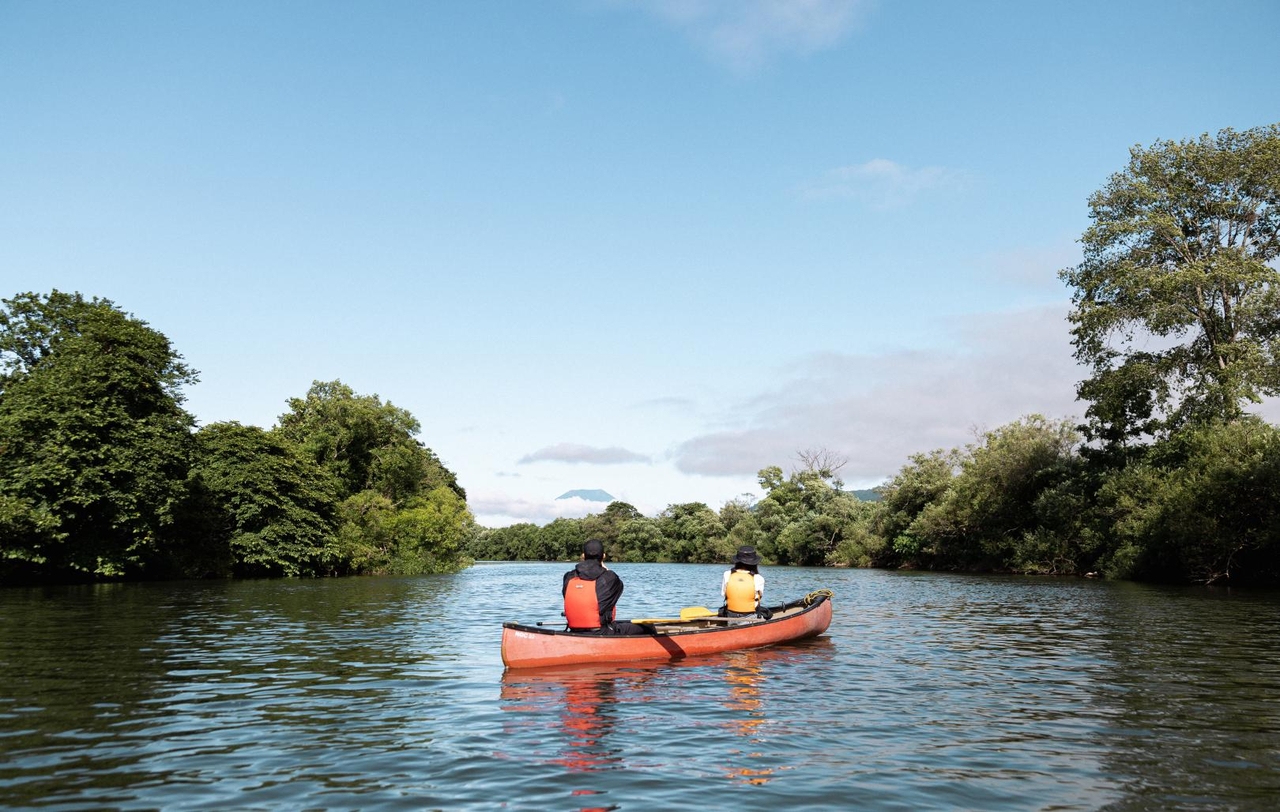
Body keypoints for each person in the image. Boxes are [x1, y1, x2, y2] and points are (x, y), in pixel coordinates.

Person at [562, 539, 649, 634]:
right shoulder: (609, 578)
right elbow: (617, 587)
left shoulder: (568, 577)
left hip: (574, 630)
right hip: (601, 632)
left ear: (583, 556)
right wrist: (602, 565)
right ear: (603, 556)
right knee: (648, 627)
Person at [721, 546, 769, 619]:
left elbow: (723, 594)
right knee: (768, 615)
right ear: (754, 563)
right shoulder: (759, 578)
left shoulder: (727, 574)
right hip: (750, 616)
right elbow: (759, 597)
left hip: (730, 615)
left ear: (737, 561)